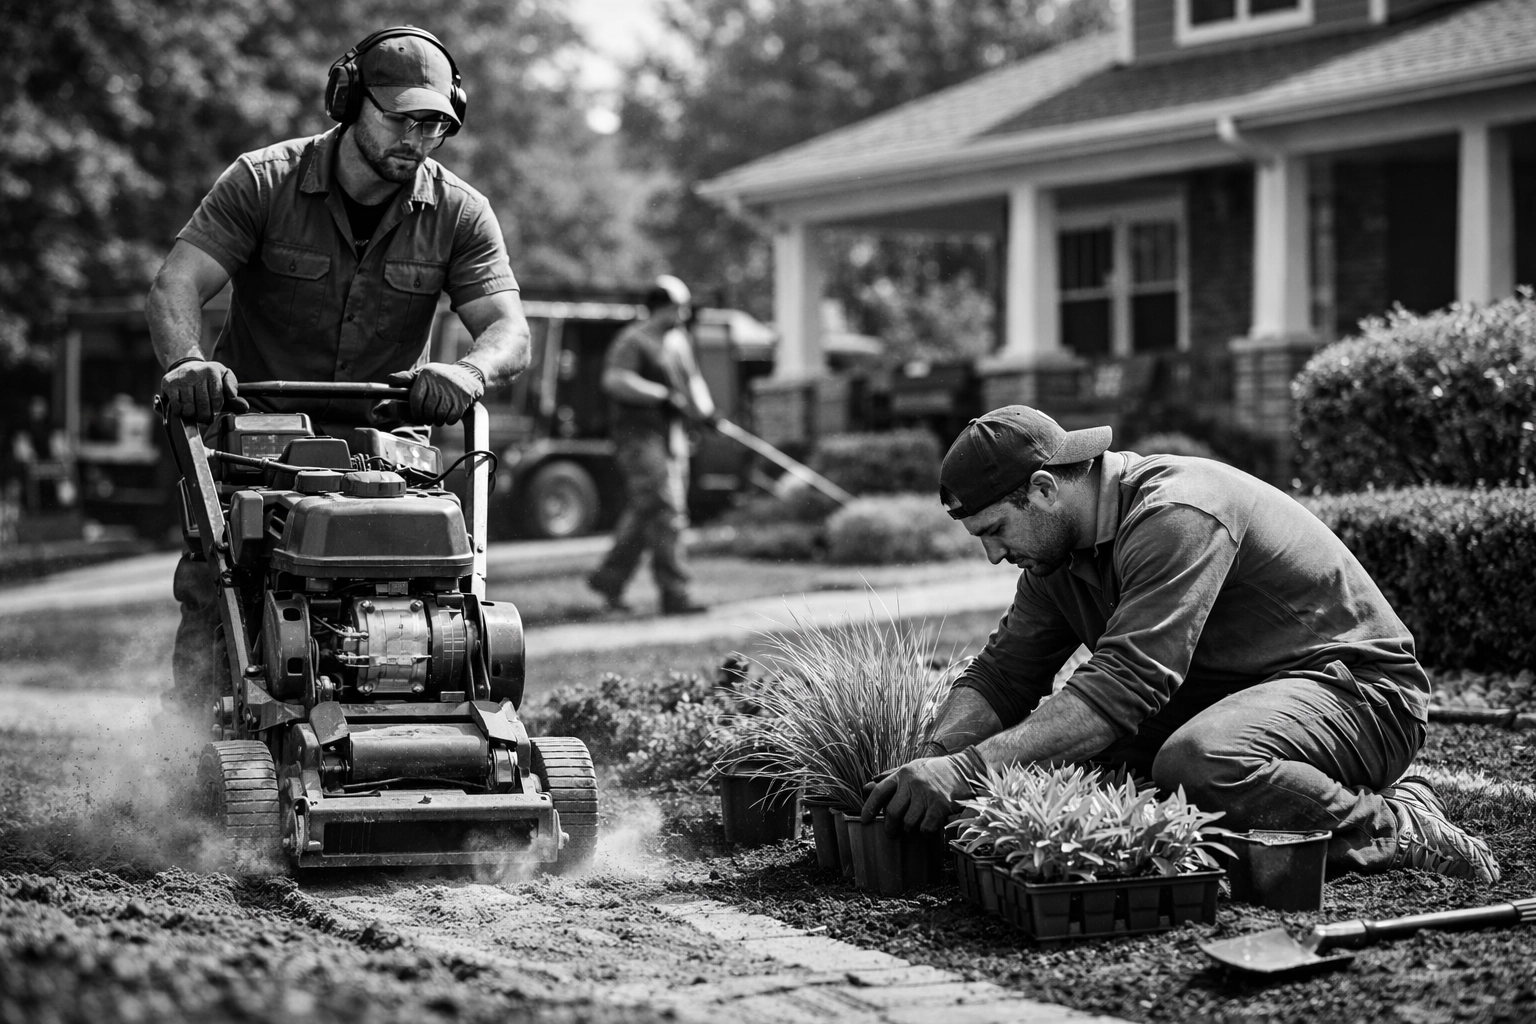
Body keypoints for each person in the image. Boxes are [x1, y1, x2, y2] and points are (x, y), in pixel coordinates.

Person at [862, 405, 1499, 883]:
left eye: (996, 529)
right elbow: (1003, 675)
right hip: (1239, 699)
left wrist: (966, 773)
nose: (993, 553)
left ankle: (1394, 827)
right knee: (1078, 780)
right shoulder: (1054, 558)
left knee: (1198, 764)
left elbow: (1123, 687)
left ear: (1044, 490)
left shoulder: (1177, 512)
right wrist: (931, 755)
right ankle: (1307, 809)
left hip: (1357, 694)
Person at [147, 26, 531, 710]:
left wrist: (467, 374)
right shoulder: (262, 182)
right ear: (349, 101)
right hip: (255, 439)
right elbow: (177, 284)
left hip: (387, 447)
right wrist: (187, 364)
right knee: (219, 585)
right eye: (401, 119)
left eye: (434, 125)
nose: (416, 140)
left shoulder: (459, 213)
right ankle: (186, 762)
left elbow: (507, 330)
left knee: (432, 572)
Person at [586, 275, 716, 615]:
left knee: (650, 510)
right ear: (664, 306)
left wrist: (706, 412)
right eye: (681, 307)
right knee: (666, 510)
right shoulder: (633, 340)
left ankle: (609, 578)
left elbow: (693, 381)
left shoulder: (678, 341)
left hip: (671, 437)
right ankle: (676, 593)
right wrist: (660, 396)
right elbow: (615, 381)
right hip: (638, 437)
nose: (686, 313)